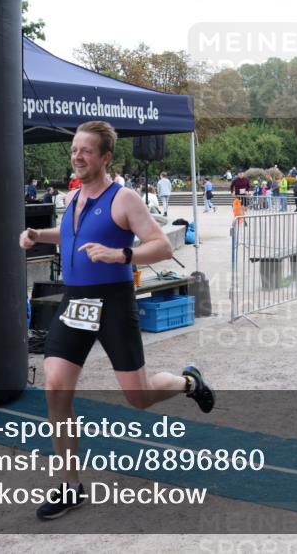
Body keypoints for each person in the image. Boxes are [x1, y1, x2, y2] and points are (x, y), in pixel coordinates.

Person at [18, 121, 214, 520]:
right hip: (76, 302)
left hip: (113, 301)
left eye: (86, 151)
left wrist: (120, 255)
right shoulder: (73, 197)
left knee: (138, 397)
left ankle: (188, 381)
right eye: (74, 150)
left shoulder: (124, 198)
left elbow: (159, 245)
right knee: (56, 388)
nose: (77, 157)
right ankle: (70, 486)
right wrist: (41, 235)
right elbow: (72, 235)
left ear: (105, 157)